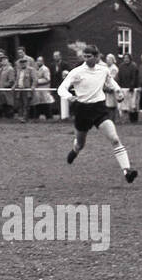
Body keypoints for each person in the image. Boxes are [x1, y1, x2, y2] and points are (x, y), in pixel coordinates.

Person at [58, 44, 137, 183]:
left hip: (99, 109)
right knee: (81, 143)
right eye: (85, 56)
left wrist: (118, 92)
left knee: (115, 139)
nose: (86, 59)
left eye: (89, 57)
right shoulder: (77, 72)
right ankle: (75, 150)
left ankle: (127, 171)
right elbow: (62, 88)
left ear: (97, 57)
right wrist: (69, 96)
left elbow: (111, 82)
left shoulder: (103, 70)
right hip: (82, 110)